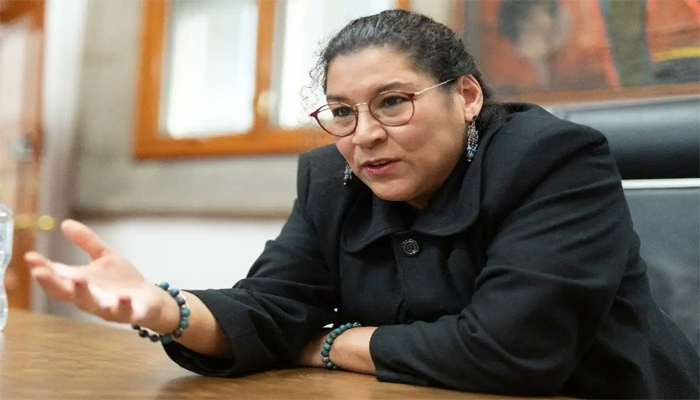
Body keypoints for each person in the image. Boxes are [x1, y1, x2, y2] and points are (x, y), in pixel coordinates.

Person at [24, 9, 699, 399]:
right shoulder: (331, 178)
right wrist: (164, 310)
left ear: (466, 97)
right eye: (342, 112)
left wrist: (329, 343)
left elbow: (509, 352)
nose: (365, 135)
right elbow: (274, 306)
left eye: (393, 102)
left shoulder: (552, 159)